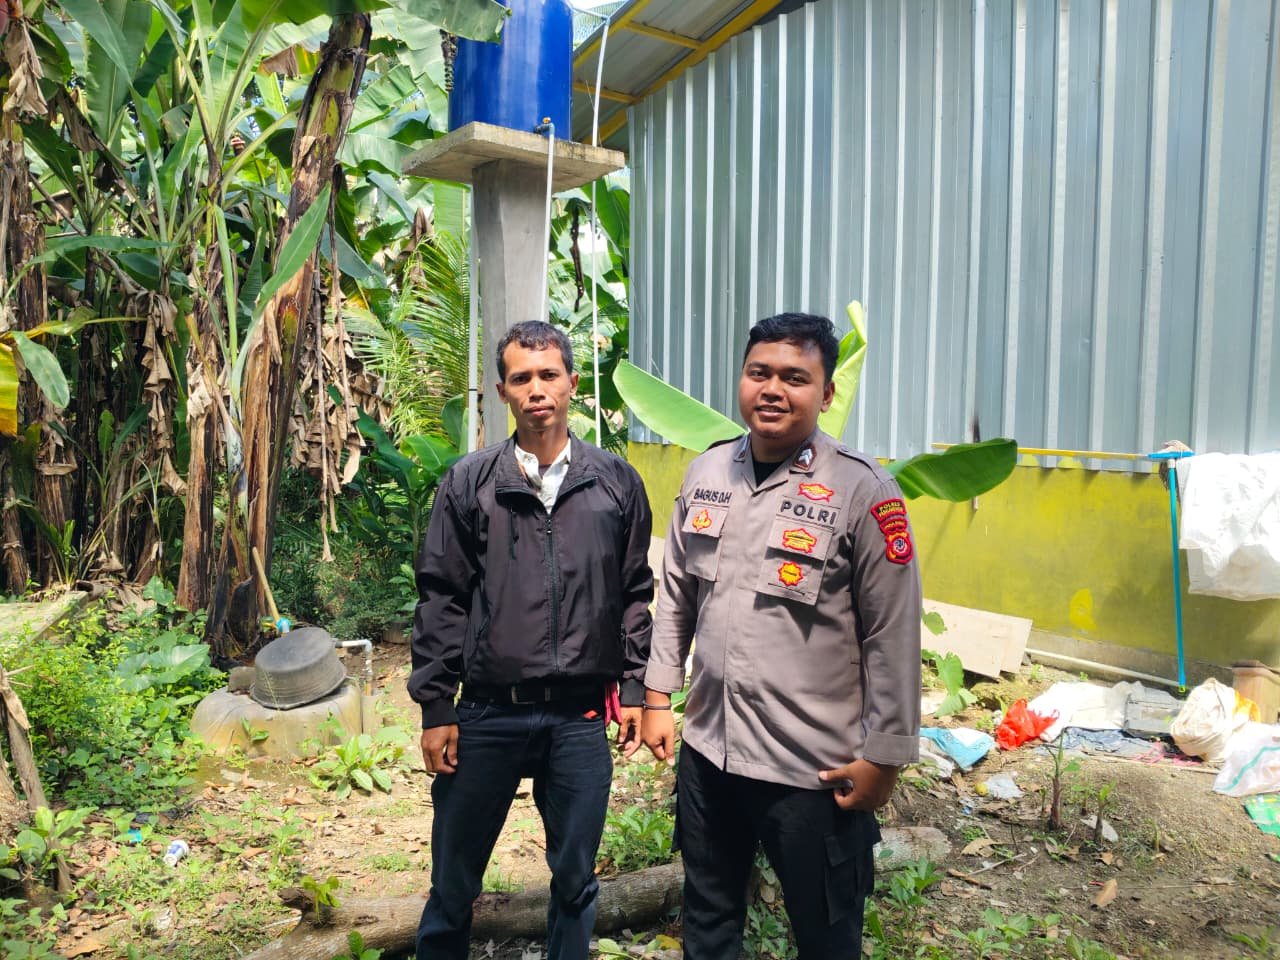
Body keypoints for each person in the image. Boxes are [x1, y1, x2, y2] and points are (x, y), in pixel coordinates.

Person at [641, 312, 922, 959]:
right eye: (758, 372)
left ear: (826, 393)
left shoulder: (862, 489)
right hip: (710, 753)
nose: (772, 389)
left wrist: (884, 757)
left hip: (811, 770)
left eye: (795, 377)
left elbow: (892, 631)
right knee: (708, 924)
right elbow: (677, 593)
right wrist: (658, 695)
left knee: (826, 935)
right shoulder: (708, 473)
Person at [408, 320, 655, 960]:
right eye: (522, 378)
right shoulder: (469, 482)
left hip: (578, 717)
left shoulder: (615, 482)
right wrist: (436, 705)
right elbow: (441, 595)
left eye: (549, 375)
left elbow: (635, 591)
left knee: (575, 879)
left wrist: (634, 687)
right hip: (487, 711)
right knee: (453, 880)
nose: (536, 389)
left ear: (571, 383)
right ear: (503, 391)